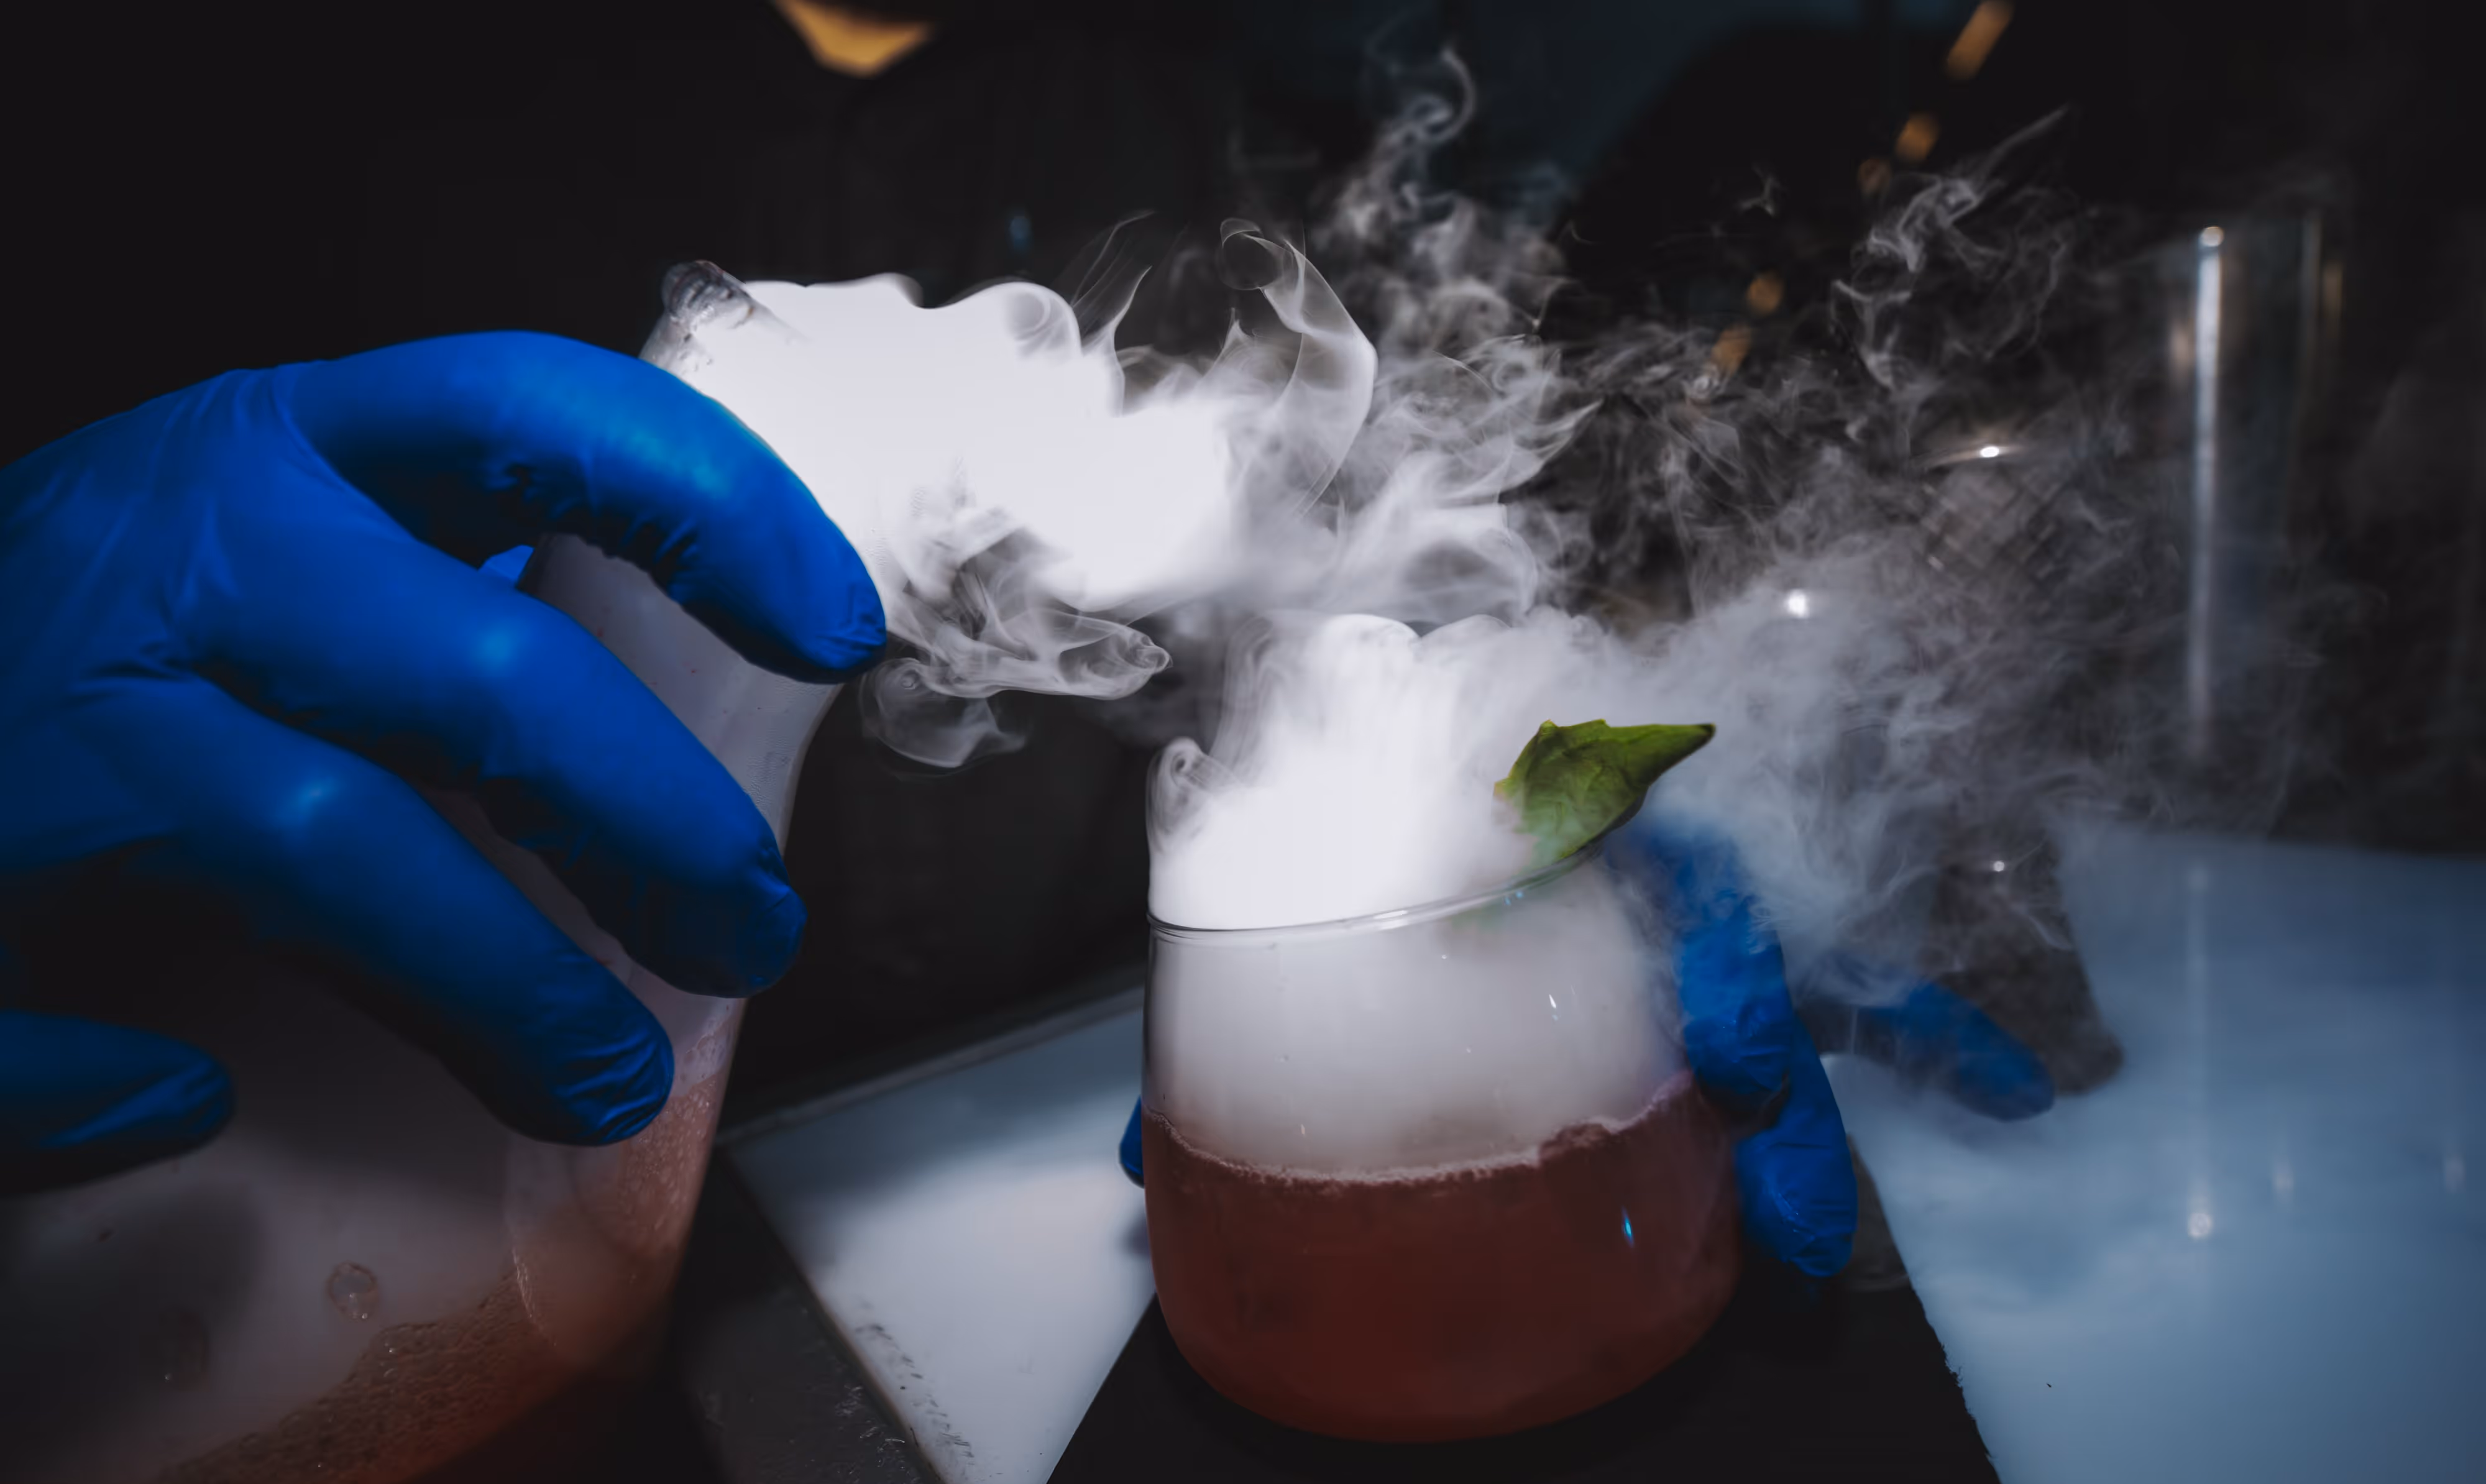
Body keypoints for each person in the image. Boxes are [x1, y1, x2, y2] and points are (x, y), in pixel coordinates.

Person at [0, 323, 2050, 1271]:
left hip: (1006, 1206)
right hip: (344, 1199)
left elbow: (1388, 559)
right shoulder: (330, 83)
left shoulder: (1192, 111)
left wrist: (1550, 784)